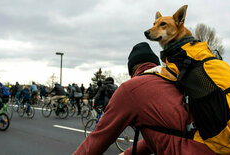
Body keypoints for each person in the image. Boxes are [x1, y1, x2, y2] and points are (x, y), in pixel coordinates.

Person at [73, 42, 216, 155]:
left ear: (132, 72)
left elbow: (96, 140)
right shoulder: (174, 82)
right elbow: (167, 133)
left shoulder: (131, 89)